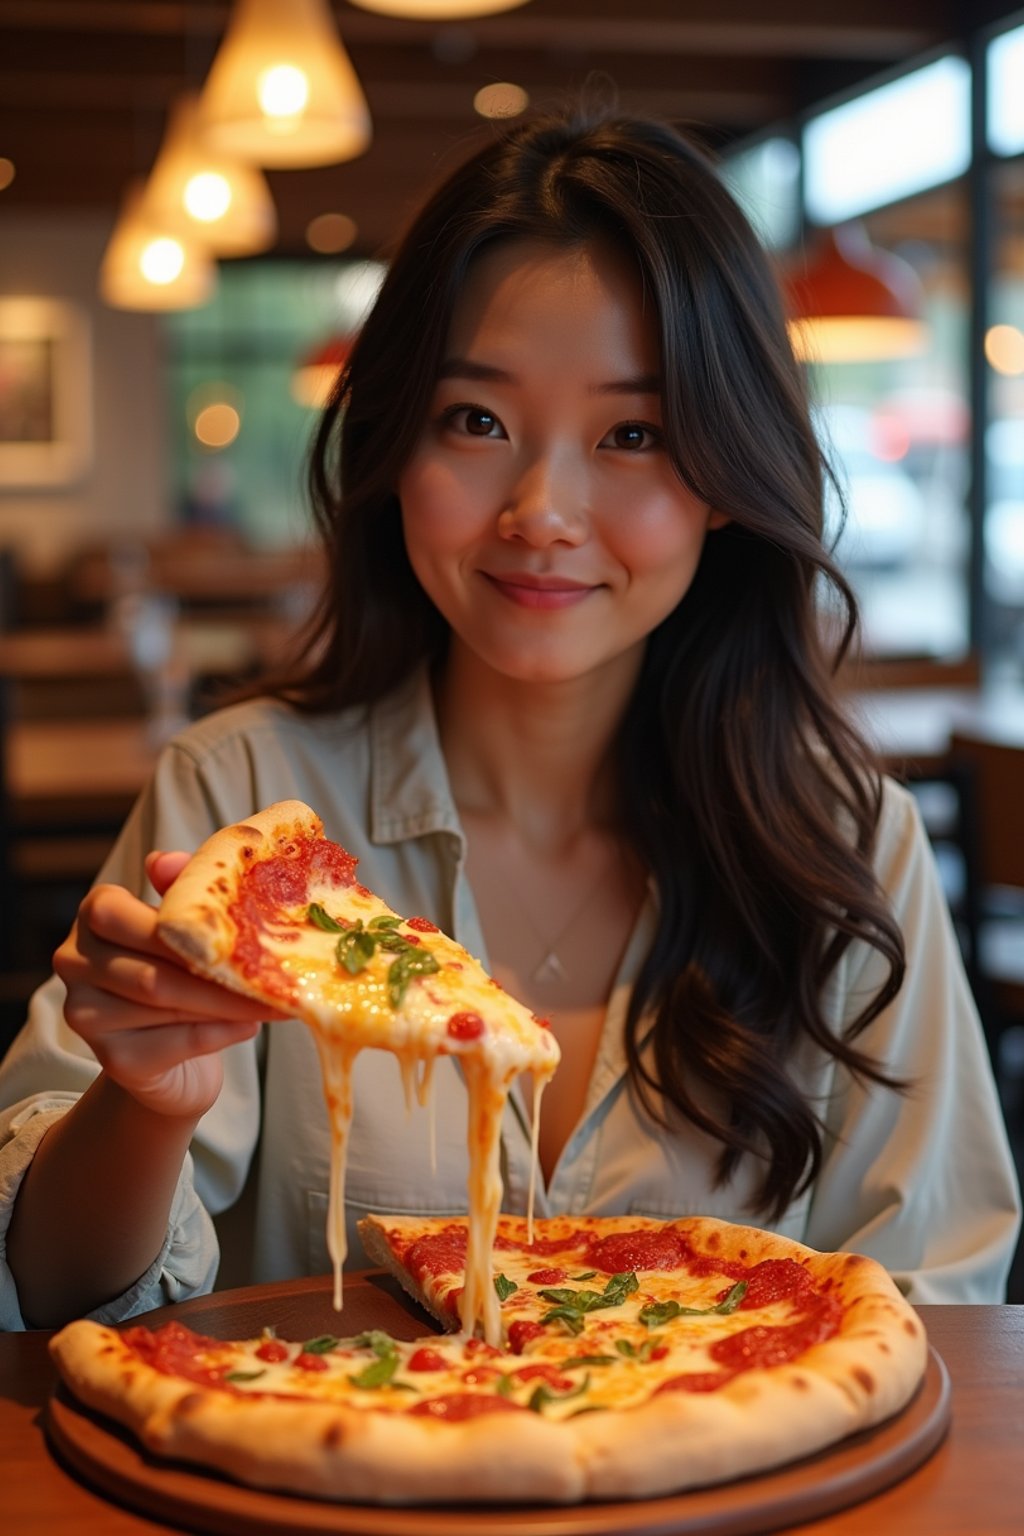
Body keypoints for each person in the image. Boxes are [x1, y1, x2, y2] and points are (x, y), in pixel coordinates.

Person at [0, 104, 1018, 1332]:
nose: (542, 509)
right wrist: (146, 1102)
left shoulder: (850, 840)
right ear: (396, 443)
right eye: (476, 420)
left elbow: (933, 1311)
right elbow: (49, 1295)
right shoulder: (237, 798)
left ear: (730, 483)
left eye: (632, 433)